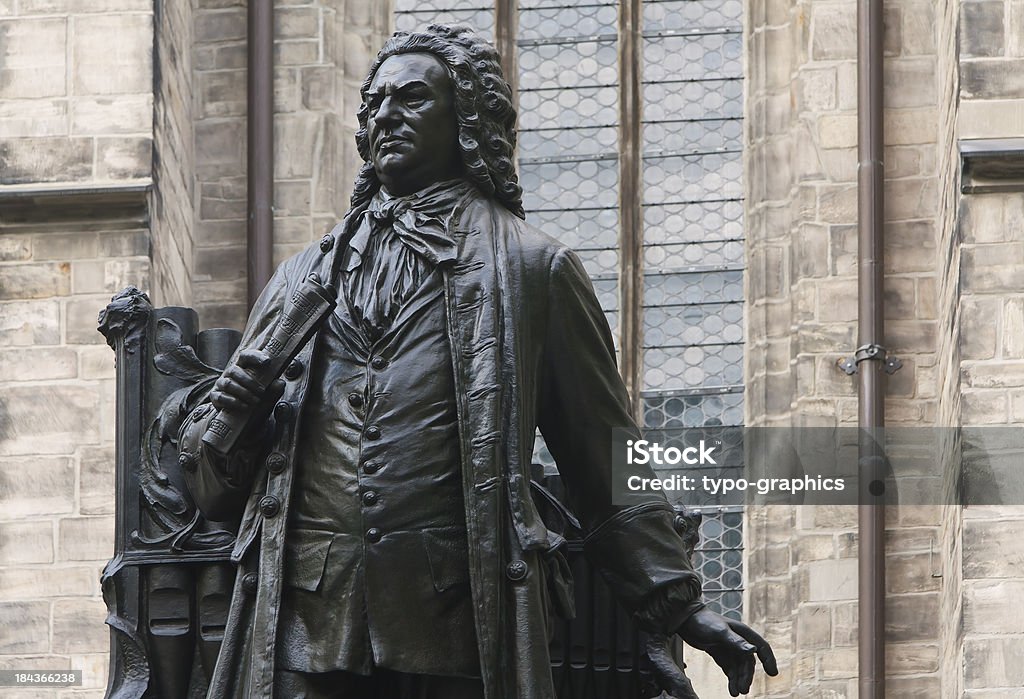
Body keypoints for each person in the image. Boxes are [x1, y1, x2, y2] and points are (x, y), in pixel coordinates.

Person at [178, 24, 777, 699]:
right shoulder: (300, 279)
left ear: (465, 120)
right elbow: (213, 491)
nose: (386, 116)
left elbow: (603, 455)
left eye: (411, 99)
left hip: (458, 628)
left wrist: (677, 605)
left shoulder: (532, 268)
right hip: (307, 624)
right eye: (373, 104)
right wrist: (246, 382)